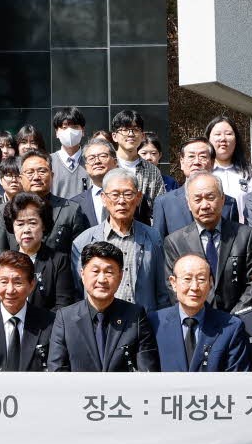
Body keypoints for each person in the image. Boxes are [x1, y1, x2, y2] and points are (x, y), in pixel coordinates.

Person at [48, 241, 161, 372]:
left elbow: (147, 372)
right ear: (82, 274)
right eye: (95, 271)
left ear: (120, 276)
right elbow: (57, 371)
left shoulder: (135, 316)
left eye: (109, 272)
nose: (102, 279)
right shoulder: (65, 318)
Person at [69, 168, 169, 313]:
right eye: (115, 195)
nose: (121, 201)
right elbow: (78, 291)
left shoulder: (153, 237)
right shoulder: (84, 241)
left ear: (138, 198)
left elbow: (162, 291)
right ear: (103, 198)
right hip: (100, 321)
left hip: (143, 321)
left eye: (128, 194)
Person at [160, 172, 252, 314]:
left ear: (222, 199)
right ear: (188, 204)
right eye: (197, 199)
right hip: (196, 318)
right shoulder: (175, 242)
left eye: (210, 197)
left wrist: (234, 318)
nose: (204, 205)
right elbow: (172, 286)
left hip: (237, 319)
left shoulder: (245, 235)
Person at [151, 251, 249, 372]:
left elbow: (237, 378)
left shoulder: (231, 327)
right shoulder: (155, 323)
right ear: (173, 283)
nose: (194, 287)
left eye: (201, 279)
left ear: (210, 283)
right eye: (187, 279)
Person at [0, 192, 77, 311]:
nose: (26, 230)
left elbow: (63, 305)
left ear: (43, 225)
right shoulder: (2, 262)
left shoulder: (59, 261)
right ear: (12, 227)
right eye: (20, 224)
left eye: (32, 223)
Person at [10, 151, 88, 250]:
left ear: (52, 175)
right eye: (30, 172)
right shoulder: (7, 209)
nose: (36, 177)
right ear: (20, 179)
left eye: (42, 171)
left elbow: (79, 251)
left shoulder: (71, 210)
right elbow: (1, 252)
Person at [108, 109, 167, 212]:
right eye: (125, 129)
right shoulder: (106, 165)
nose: (130, 134)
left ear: (142, 136)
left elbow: (160, 208)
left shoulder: (152, 171)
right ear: (114, 136)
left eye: (135, 130)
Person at [205, 116, 252, 203]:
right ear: (208, 140)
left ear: (236, 140)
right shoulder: (202, 171)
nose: (223, 139)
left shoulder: (251, 171)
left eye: (228, 134)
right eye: (217, 134)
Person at [70, 137, 119, 230]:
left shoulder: (131, 196)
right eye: (91, 158)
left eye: (103, 156)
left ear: (115, 162)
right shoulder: (75, 204)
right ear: (86, 167)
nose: (97, 161)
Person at [49, 106, 90, 199]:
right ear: (57, 132)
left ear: (82, 131)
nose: (70, 131)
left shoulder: (91, 160)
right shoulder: (48, 161)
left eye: (75, 127)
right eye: (64, 127)